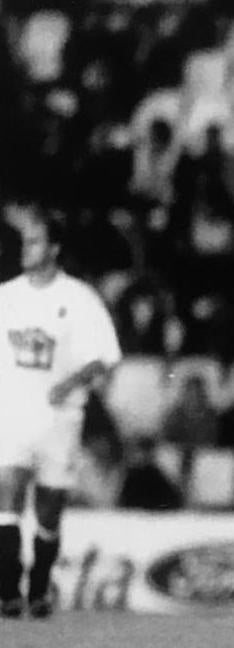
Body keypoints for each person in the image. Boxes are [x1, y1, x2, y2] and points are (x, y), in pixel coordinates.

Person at [0, 207, 123, 618]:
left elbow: (106, 356)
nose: (25, 249)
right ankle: (8, 591)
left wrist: (69, 383)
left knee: (48, 511)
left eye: (34, 242)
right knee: (7, 500)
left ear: (53, 248)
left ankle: (39, 589)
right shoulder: (8, 296)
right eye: (24, 241)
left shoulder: (78, 298)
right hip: (13, 416)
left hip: (59, 422)